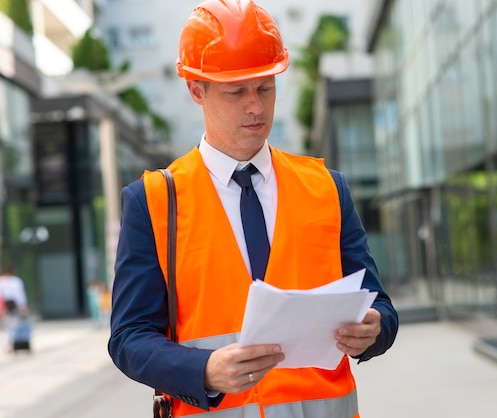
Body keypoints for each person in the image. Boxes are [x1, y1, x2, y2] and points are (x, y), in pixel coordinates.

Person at [108, 1, 399, 417]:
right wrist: (204, 370)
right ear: (196, 90)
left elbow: (380, 308)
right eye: (236, 92)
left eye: (265, 88)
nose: (256, 107)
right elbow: (128, 337)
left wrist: (374, 328)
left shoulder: (327, 189)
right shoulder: (154, 202)